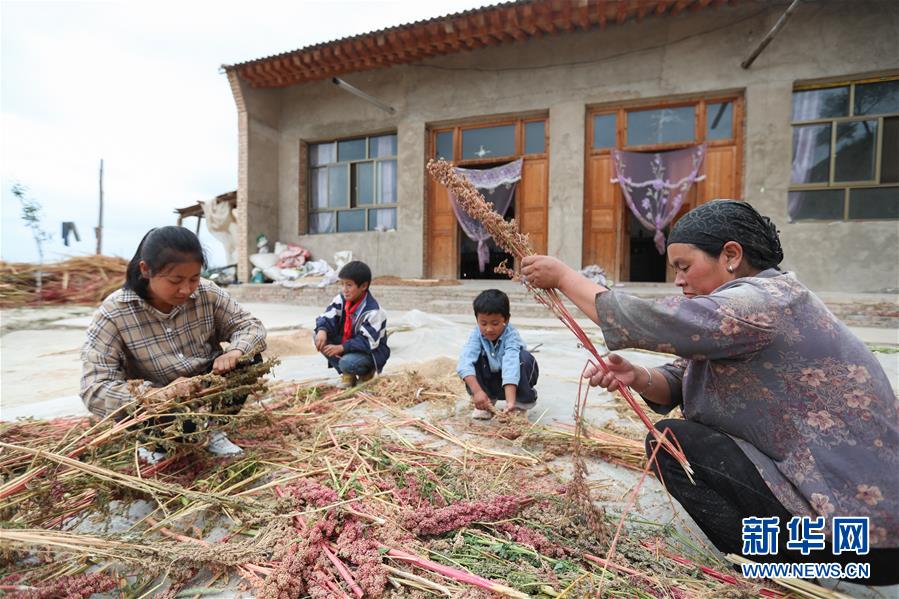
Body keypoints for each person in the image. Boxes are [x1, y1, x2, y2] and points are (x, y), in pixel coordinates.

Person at [521, 200, 898, 585]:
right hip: (867, 540)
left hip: (863, 542)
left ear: (731, 255)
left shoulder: (762, 302)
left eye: (685, 267)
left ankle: (775, 570)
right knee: (674, 440)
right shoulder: (755, 310)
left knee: (671, 443)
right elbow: (681, 378)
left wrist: (566, 278)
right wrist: (634, 375)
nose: (680, 280)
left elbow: (659, 323)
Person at [80, 226, 267, 463]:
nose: (186, 289)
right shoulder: (114, 313)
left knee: (249, 360)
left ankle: (212, 429)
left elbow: (250, 326)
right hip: (158, 405)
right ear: (146, 270)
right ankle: (155, 443)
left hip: (205, 388)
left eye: (194, 278)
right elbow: (93, 387)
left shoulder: (206, 292)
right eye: (175, 280)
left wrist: (236, 351)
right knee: (181, 425)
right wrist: (157, 395)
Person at [456, 289, 539, 419]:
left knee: (523, 358)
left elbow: (511, 366)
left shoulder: (512, 336)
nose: (489, 329)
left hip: (512, 383)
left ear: (506, 319)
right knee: (473, 361)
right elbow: (464, 363)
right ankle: (486, 402)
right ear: (477, 320)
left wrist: (510, 402)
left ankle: (518, 405)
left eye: (495, 323)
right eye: (483, 323)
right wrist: (477, 392)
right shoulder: (476, 335)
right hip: (490, 382)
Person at [314, 261, 389, 388]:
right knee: (318, 336)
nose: (344, 289)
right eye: (342, 284)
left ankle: (366, 372)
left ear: (364, 286)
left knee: (347, 362)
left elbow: (367, 342)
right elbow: (328, 316)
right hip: (348, 345)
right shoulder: (341, 299)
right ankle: (348, 375)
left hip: (369, 353)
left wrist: (342, 348)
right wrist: (322, 330)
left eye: (349, 285)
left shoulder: (373, 311)